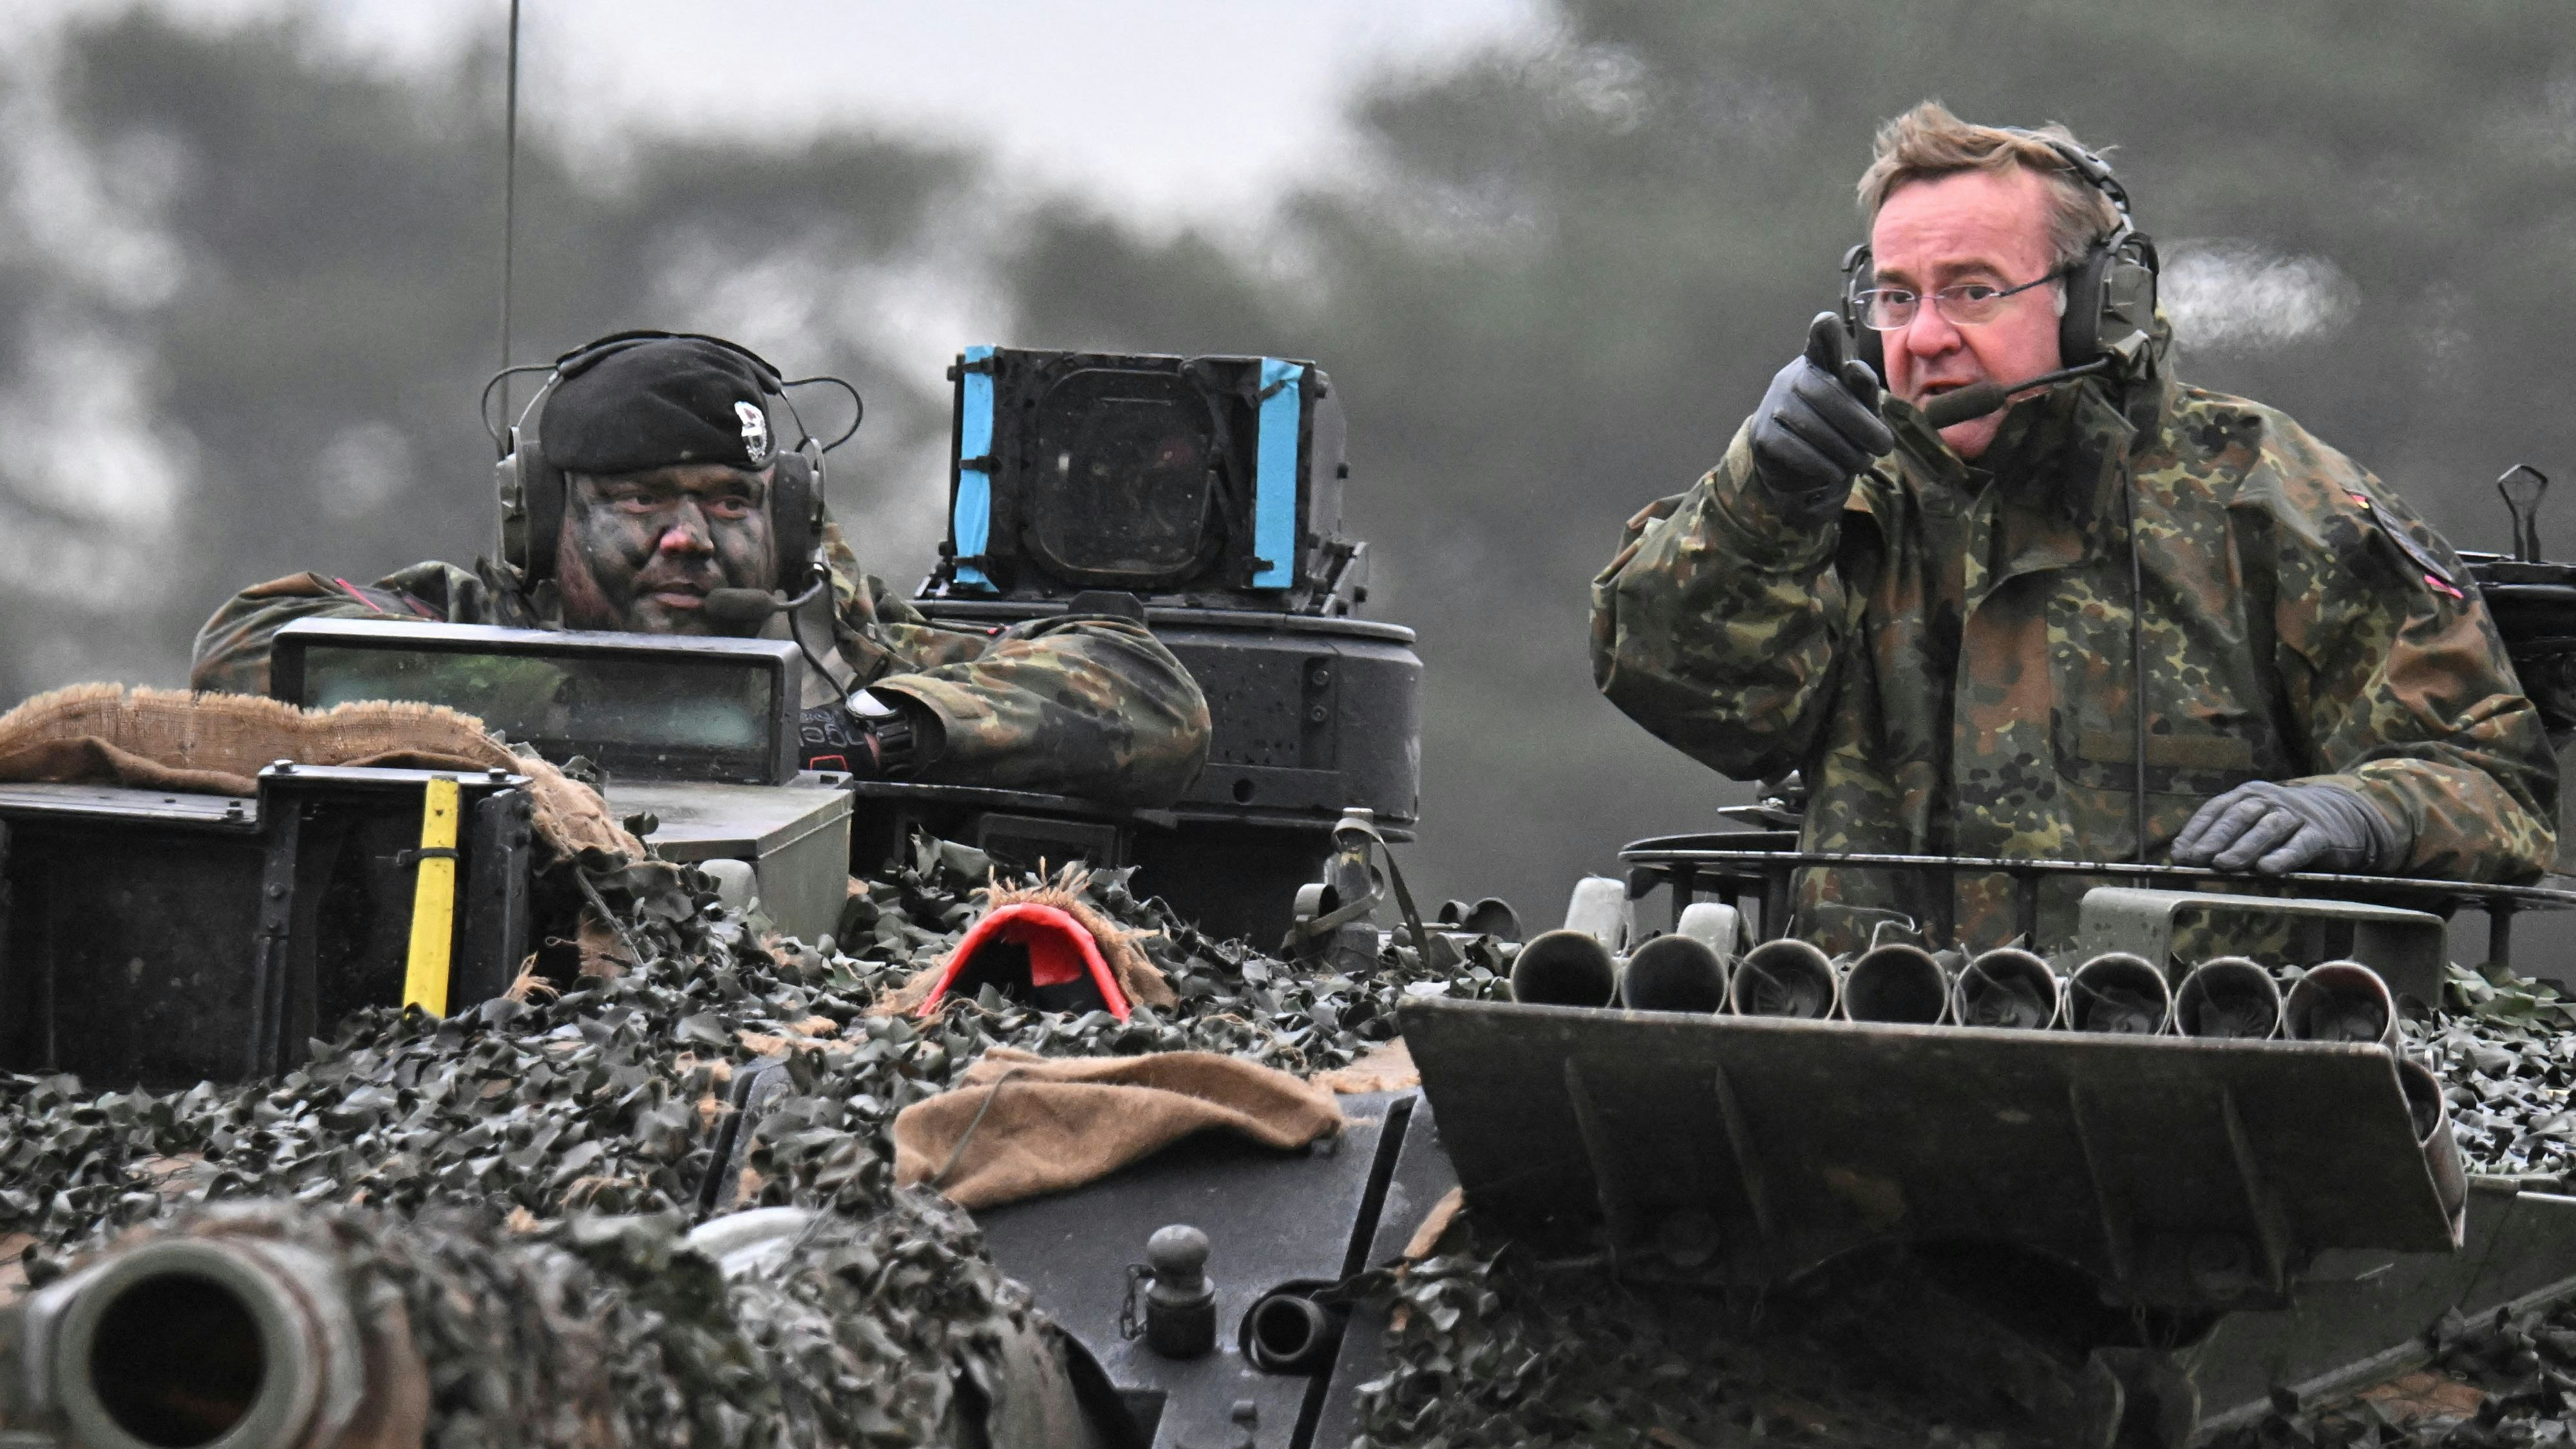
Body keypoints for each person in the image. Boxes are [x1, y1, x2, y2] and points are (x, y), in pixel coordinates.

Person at [1590, 102, 2555, 955]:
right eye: (1897, 296)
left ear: (2099, 303)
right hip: (1874, 1059)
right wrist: (1762, 499)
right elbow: (1691, 693)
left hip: (2205, 1074)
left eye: (1972, 291)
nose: (1923, 337)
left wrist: (2363, 810)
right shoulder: (1843, 497)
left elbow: (2494, 780)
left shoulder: (2270, 499)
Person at [191, 331, 1211, 806]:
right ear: (545, 517)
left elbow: (1147, 691)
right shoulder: (472, 619)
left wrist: (870, 731)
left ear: (789, 519)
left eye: (730, 501)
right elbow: (248, 646)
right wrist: (553, 702)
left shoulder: (841, 647)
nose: (690, 537)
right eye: (641, 500)